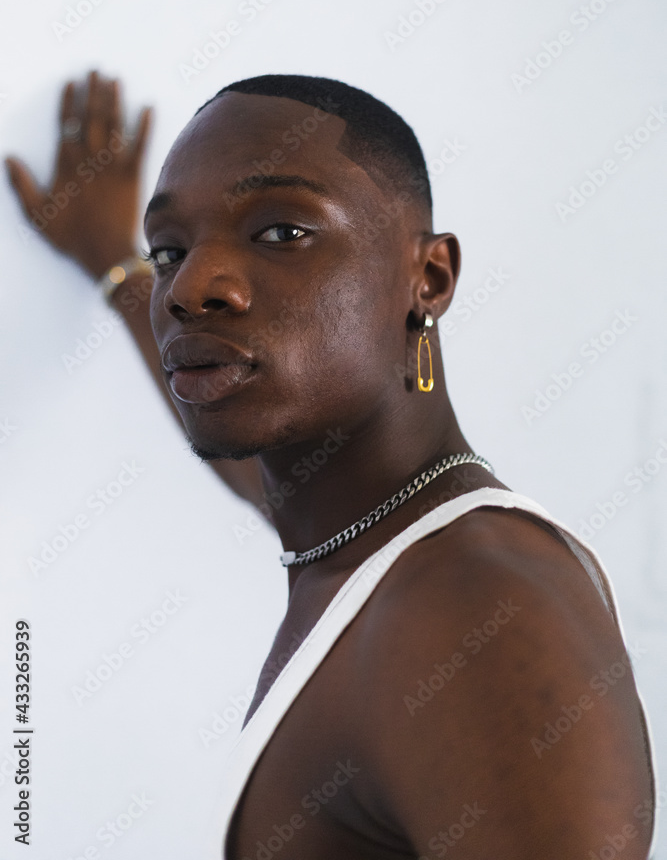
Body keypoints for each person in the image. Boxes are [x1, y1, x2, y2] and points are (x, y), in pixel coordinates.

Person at [6, 71, 656, 859]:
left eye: (282, 232)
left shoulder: (477, 606)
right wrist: (116, 264)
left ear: (429, 278)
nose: (190, 288)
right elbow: (252, 472)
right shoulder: (354, 530)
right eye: (170, 250)